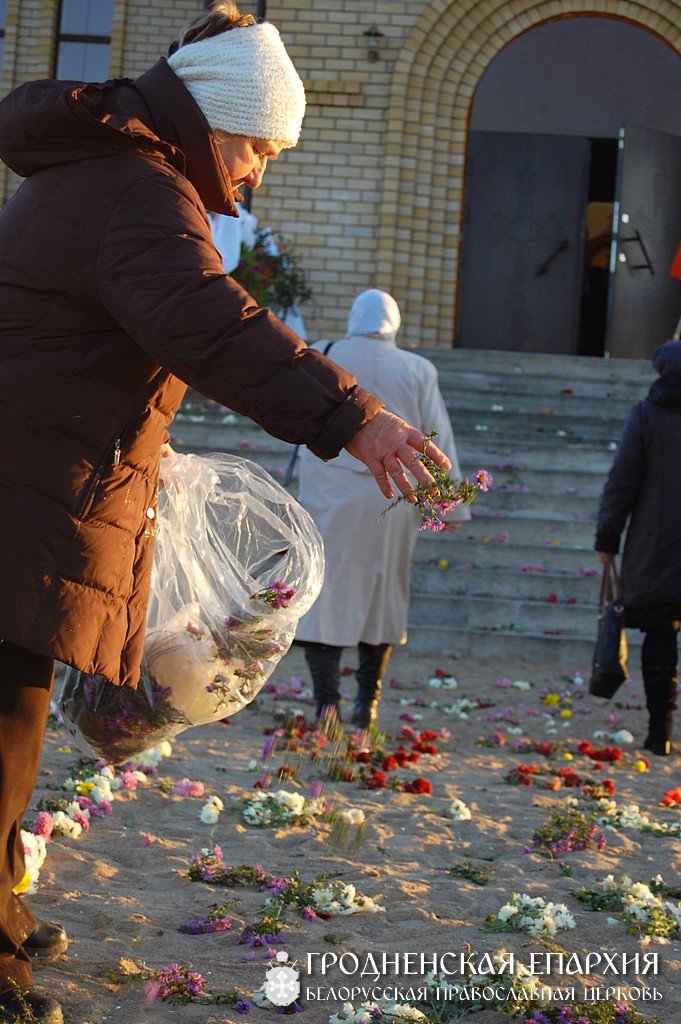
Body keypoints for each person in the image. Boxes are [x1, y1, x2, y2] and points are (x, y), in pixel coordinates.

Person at [0, 5, 451, 1020]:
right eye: (256, 148)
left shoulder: (111, 173)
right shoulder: (137, 193)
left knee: (11, 719)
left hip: (36, 478)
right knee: (2, 725)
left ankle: (3, 912)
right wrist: (352, 417)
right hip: (25, 483)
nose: (256, 176)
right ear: (215, 123)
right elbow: (212, 325)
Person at [295, 290, 470, 729]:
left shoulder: (325, 355)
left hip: (329, 494)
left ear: (355, 317)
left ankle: (326, 706)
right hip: (393, 494)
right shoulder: (417, 369)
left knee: (326, 595)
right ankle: (366, 705)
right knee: (384, 596)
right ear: (394, 322)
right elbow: (437, 441)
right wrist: (449, 505)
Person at [595, 339, 681, 757]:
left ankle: (659, 731)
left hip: (658, 544)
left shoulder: (647, 416)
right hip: (660, 542)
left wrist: (607, 539)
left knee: (661, 632)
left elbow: (622, 482)